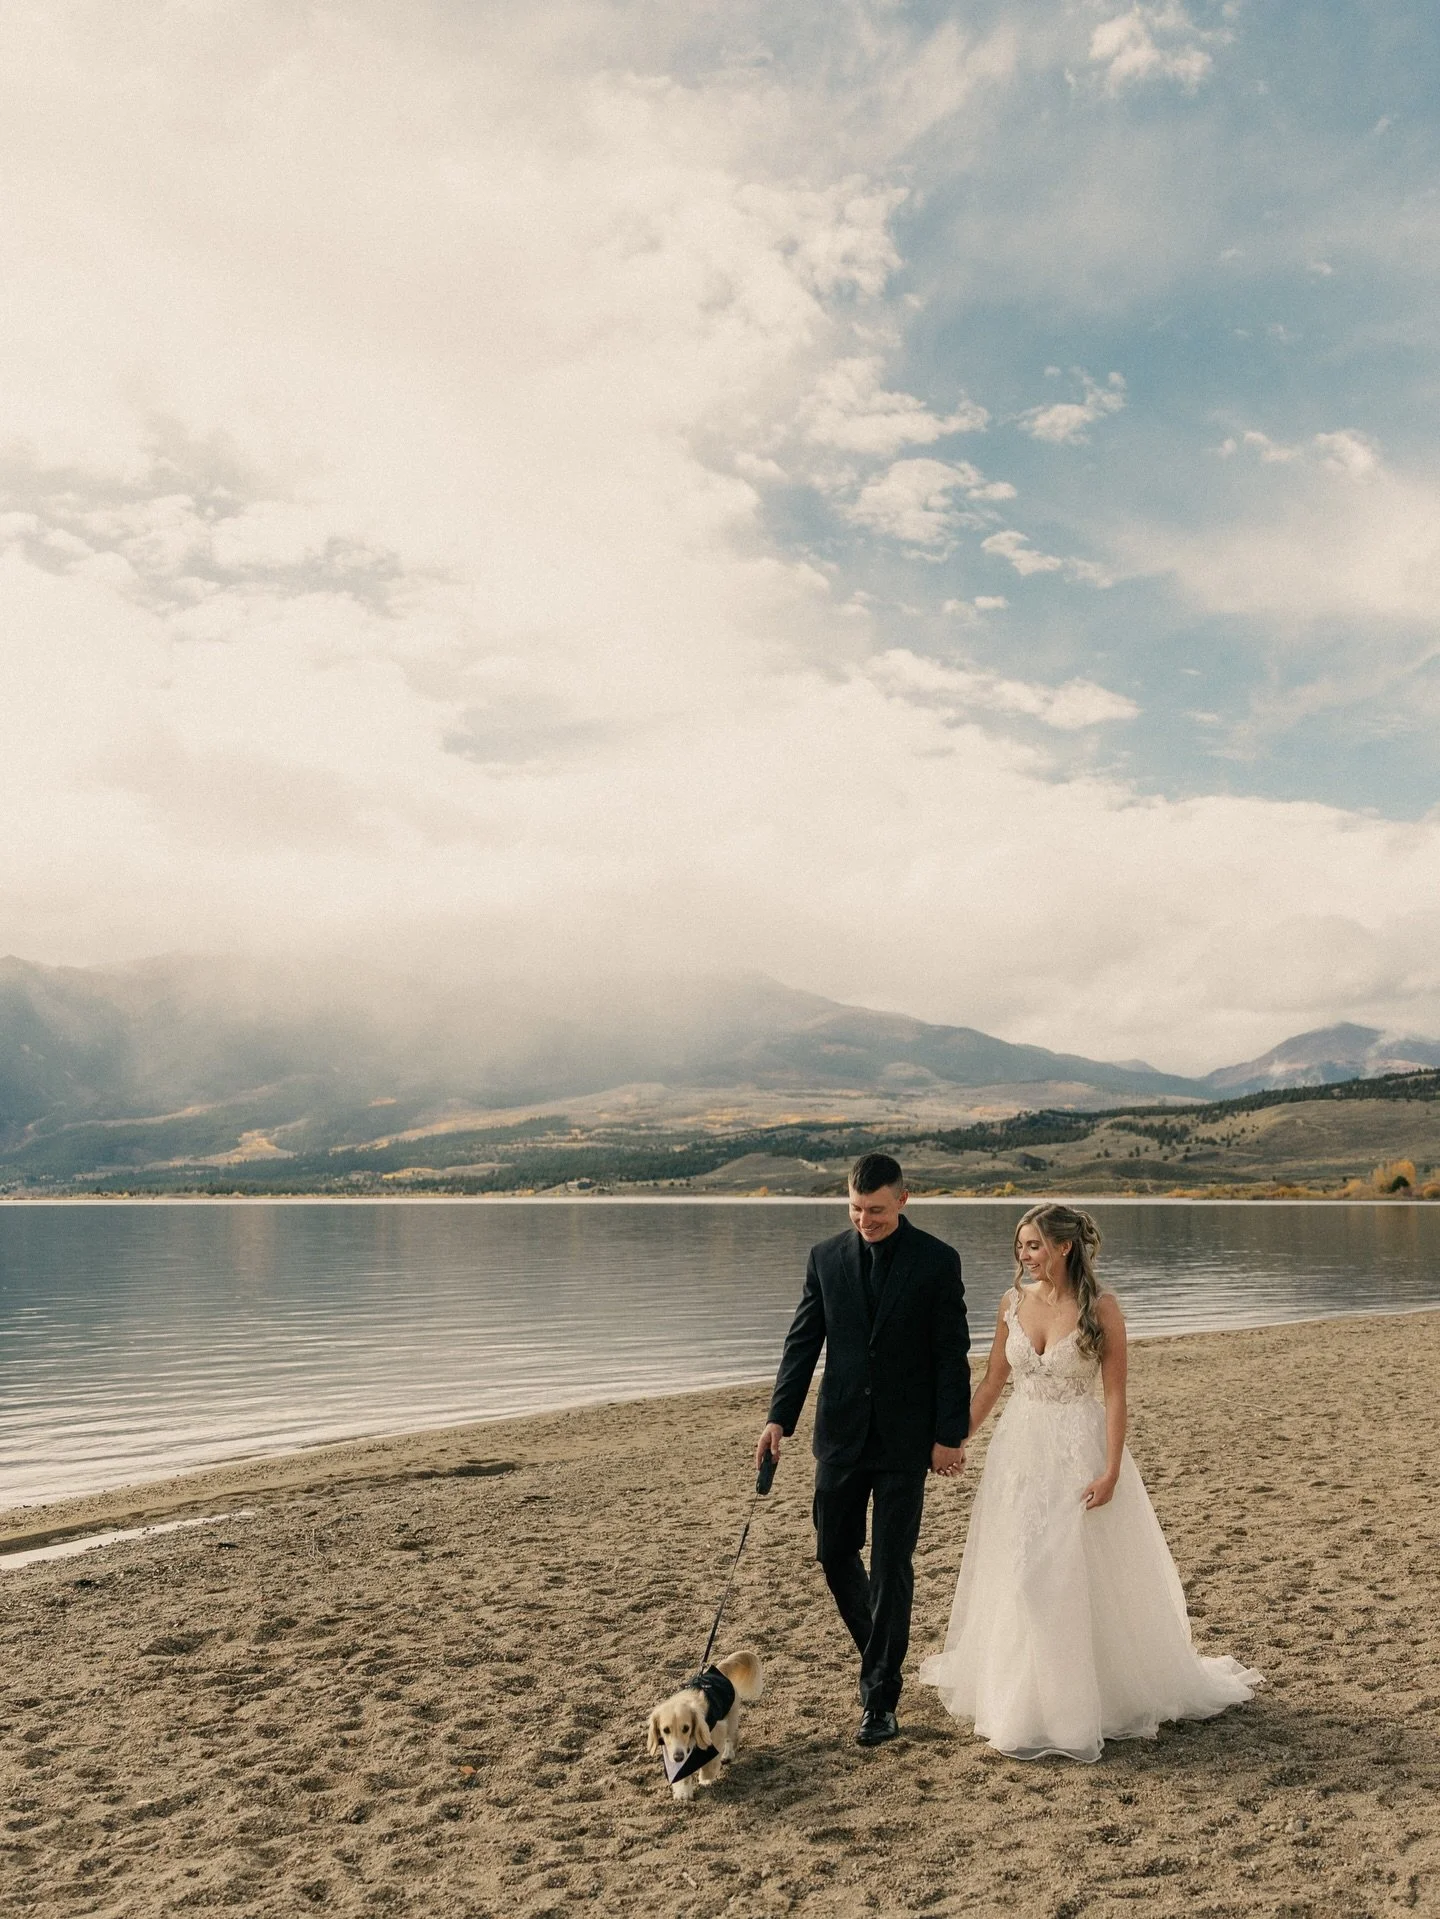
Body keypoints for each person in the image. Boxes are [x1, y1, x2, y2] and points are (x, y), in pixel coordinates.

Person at [919, 1201, 1262, 1762]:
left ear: (1064, 1247)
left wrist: (1111, 1470)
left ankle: (1085, 1701)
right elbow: (991, 1383)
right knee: (1021, 1570)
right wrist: (957, 1439)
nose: (1023, 1256)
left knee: (1069, 1574)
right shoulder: (1011, 1304)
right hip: (1019, 1453)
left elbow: (1116, 1394)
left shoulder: (1101, 1308)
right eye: (1020, 1246)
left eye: (1033, 1245)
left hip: (1079, 1452)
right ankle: (1024, 1699)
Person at [755, 1153, 969, 1747]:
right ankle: (882, 1649)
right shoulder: (824, 1259)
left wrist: (950, 1435)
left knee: (891, 1567)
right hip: (841, 1436)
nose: (864, 1219)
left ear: (903, 1199)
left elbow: (952, 1354)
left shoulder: (937, 1261)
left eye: (875, 1209)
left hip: (907, 1442)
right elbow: (802, 1343)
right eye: (854, 1208)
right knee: (832, 1552)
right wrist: (779, 1420)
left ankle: (880, 1698)